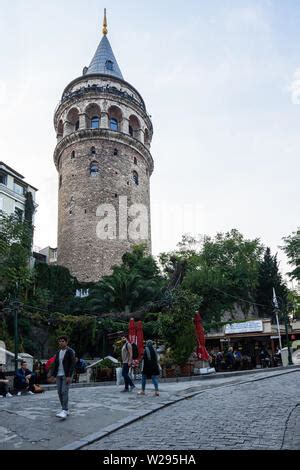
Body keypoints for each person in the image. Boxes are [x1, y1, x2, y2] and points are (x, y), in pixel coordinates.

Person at [52, 335, 75, 419]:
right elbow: (56, 364)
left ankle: (64, 410)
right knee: (59, 392)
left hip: (66, 375)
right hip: (58, 374)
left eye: (63, 341)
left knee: (64, 392)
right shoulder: (58, 352)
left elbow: (72, 364)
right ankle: (65, 409)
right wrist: (54, 375)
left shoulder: (70, 351)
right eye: (60, 341)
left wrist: (69, 375)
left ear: (66, 342)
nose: (61, 342)